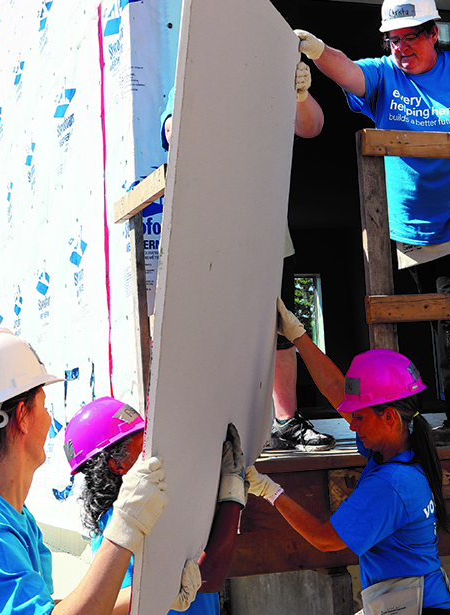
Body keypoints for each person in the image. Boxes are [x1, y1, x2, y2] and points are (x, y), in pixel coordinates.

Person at [294, 0, 450, 444]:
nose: (401, 47)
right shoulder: (385, 73)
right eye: (393, 39)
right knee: (416, 325)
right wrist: (318, 51)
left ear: (434, 34)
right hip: (407, 224)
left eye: (411, 36)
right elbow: (347, 71)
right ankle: (412, 420)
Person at [0, 326, 187, 615]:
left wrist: (148, 594)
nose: (49, 420)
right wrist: (124, 527)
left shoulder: (8, 514)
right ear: (22, 416)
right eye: (44, 406)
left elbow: (39, 609)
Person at [160, 61, 335, 453]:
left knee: (280, 319)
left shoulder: (266, 62)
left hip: (266, 220)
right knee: (221, 324)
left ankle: (287, 422)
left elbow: (312, 126)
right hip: (216, 226)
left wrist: (300, 94)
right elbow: (173, 132)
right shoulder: (196, 63)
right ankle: (223, 428)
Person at [245, 299, 450, 614]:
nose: (352, 423)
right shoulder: (401, 448)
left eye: (359, 417)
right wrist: (298, 335)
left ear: (389, 417)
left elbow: (326, 539)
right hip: (417, 603)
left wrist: (269, 490)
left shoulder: (391, 483)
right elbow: (336, 388)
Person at [62, 397, 247, 615]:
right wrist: (232, 494)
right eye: (141, 445)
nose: (151, 451)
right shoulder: (124, 525)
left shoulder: (148, 507)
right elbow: (208, 577)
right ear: (117, 464)